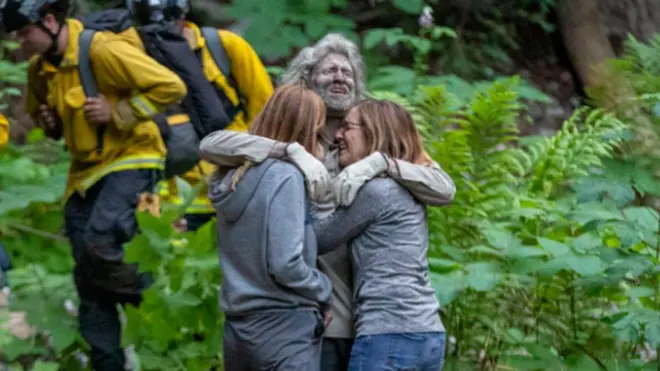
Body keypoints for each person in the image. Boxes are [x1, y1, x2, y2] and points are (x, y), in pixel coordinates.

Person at [200, 33, 455, 371]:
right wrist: (288, 150)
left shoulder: (370, 140)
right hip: (317, 317)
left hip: (374, 321)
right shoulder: (290, 138)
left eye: (347, 72)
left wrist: (381, 163)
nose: (340, 77)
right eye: (330, 70)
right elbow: (212, 145)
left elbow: (443, 188)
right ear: (306, 78)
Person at [0, 0, 187, 369]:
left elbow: (171, 86)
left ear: (50, 21)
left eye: (26, 33)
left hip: (132, 157)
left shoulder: (101, 48)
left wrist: (118, 111)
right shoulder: (41, 70)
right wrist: (52, 123)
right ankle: (108, 361)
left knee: (101, 241)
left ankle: (152, 301)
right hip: (84, 173)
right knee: (85, 273)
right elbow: (44, 123)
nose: (22, 42)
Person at [209, 84, 332, 371]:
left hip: (238, 330)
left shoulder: (235, 176)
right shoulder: (286, 177)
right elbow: (285, 263)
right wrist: (323, 290)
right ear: (304, 133)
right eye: (318, 133)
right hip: (284, 329)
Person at [315, 99, 446, 371]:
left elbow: (320, 238)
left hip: (389, 335)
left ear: (374, 132)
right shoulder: (407, 185)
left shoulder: (377, 191)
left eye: (347, 127)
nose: (338, 135)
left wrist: (300, 193)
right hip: (427, 333)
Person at [127, 0, 273, 232]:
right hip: (168, 203)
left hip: (232, 191)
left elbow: (267, 114)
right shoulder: (131, 58)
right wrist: (149, 215)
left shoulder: (223, 47)